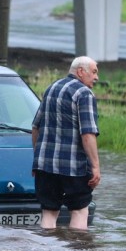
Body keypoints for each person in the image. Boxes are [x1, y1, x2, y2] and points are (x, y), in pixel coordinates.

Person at [31, 56, 101, 230]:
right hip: (74, 168)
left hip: (45, 167)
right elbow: (88, 134)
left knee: (48, 213)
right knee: (79, 211)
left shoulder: (51, 88)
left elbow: (35, 127)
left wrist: (37, 159)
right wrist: (95, 166)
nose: (96, 77)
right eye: (93, 72)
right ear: (80, 72)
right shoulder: (84, 93)